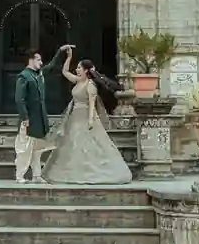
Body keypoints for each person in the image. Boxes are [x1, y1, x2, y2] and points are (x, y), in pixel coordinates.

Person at [42, 50, 132, 184]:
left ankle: (91, 171)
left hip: (85, 116)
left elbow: (92, 105)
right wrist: (69, 57)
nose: (77, 70)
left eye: (79, 68)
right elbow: (65, 72)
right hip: (74, 117)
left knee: (87, 144)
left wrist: (90, 120)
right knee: (71, 143)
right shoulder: (78, 81)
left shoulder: (90, 86)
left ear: (86, 70)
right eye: (77, 67)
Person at [14, 43, 68, 183]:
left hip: (39, 118)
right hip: (29, 118)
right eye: (38, 60)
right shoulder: (24, 76)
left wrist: (60, 51)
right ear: (31, 60)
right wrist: (25, 117)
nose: (41, 62)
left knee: (37, 149)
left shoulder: (38, 74)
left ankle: (37, 175)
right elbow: (20, 99)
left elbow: (50, 66)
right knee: (25, 148)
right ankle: (20, 175)